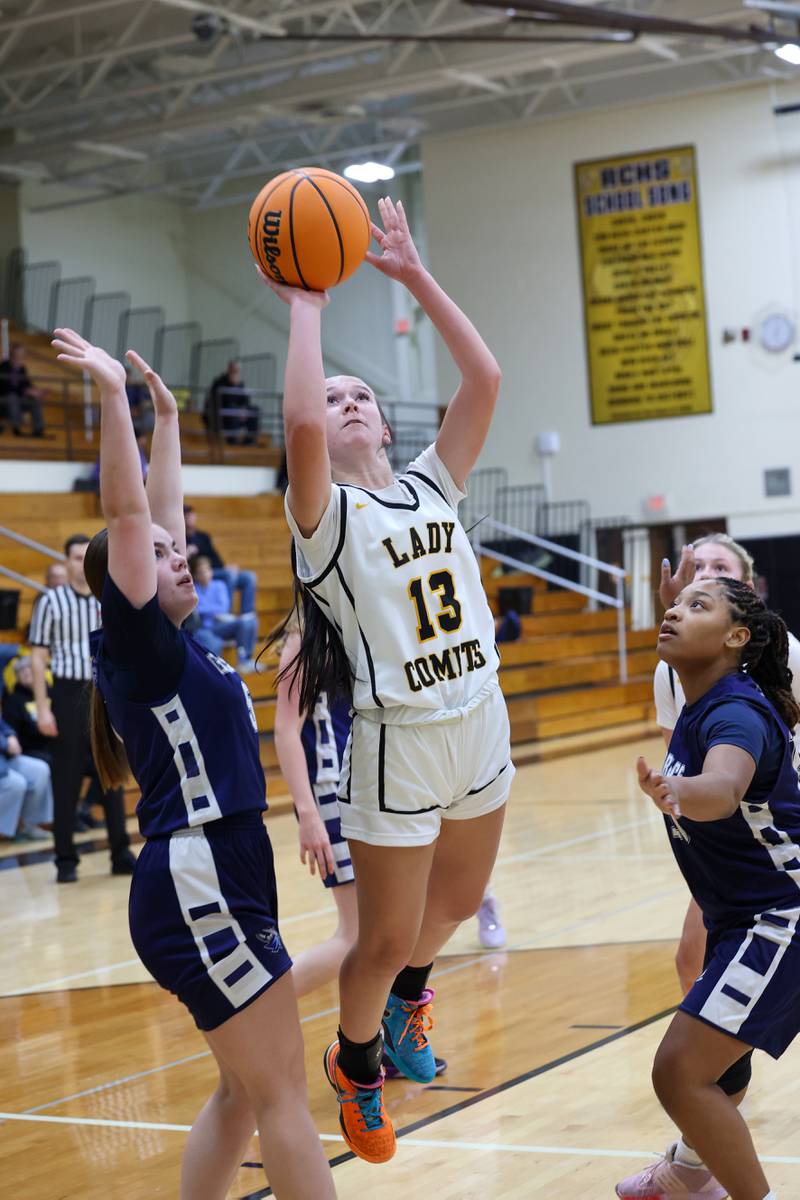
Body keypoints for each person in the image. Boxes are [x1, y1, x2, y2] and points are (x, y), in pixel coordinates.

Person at [51, 326, 336, 1200]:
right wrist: (111, 398)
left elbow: (158, 520)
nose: (184, 557)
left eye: (185, 551)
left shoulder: (180, 642)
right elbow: (133, 518)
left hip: (225, 866)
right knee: (285, 1092)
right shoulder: (136, 643)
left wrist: (167, 420)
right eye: (165, 558)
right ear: (125, 583)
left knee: (246, 1091)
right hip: (196, 872)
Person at [264, 196, 514, 1164]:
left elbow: (483, 377)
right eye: (334, 398)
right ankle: (355, 1066)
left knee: (452, 906)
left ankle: (408, 1006)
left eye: (359, 392)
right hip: (399, 741)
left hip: (477, 716)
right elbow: (293, 417)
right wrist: (305, 305)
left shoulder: (427, 483)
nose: (349, 402)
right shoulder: (321, 522)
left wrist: (413, 275)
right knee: (379, 936)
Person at [617, 576, 800, 1200]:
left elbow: (723, 787)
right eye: (675, 603)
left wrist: (680, 794)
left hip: (782, 917)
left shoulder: (735, 711)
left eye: (698, 606)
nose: (673, 611)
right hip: (745, 917)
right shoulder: (701, 702)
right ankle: (693, 1171)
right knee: (700, 1066)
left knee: (680, 1071)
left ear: (735, 637)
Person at [654, 536, 800, 994]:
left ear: (748, 589)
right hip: (732, 843)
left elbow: (720, 781)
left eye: (721, 566)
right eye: (697, 568)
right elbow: (683, 763)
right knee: (692, 963)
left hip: (778, 839)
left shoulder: (787, 655)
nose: (707, 573)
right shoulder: (673, 671)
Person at [29, 533, 135, 883]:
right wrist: (43, 710)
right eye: (74, 557)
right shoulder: (51, 601)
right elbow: (38, 654)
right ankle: (65, 858)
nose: (79, 563)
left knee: (113, 772)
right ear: (65, 561)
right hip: (67, 691)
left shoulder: (106, 598)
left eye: (83, 557)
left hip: (103, 689)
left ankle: (120, 852)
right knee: (67, 779)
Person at [184, 504, 257, 615]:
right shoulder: (183, 539)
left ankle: (247, 615)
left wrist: (225, 567)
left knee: (249, 577)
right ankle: (227, 614)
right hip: (199, 573)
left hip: (215, 570)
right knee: (229, 576)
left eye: (192, 515)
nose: (191, 518)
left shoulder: (203, 536)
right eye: (187, 516)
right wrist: (187, 553)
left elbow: (215, 556)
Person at [190, 554, 257, 674]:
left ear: (211, 571)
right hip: (209, 628)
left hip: (222, 624)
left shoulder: (219, 585)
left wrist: (208, 610)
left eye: (207, 571)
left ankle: (245, 659)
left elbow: (223, 607)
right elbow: (197, 608)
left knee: (250, 621)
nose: (205, 574)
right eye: (201, 572)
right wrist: (212, 611)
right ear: (195, 575)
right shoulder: (195, 589)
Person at [0, 714, 52, 841]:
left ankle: (27, 826)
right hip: (3, 752)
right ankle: (5, 830)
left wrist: (9, 734)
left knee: (40, 770)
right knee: (15, 784)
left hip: (4, 756)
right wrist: (5, 743)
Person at [203, 360, 258, 445]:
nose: (235, 373)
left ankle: (250, 440)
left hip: (237, 413)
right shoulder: (219, 381)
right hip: (220, 414)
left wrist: (244, 409)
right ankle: (232, 440)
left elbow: (245, 400)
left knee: (254, 410)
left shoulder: (240, 383)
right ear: (229, 369)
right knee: (232, 409)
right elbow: (220, 400)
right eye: (234, 370)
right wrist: (232, 384)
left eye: (237, 371)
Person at [0, 343, 45, 437]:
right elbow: (6, 388)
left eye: (22, 354)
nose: (21, 356)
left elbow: (26, 383)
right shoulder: (4, 366)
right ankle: (16, 428)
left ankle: (38, 429)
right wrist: (26, 391)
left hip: (18, 398)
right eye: (19, 354)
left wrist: (35, 391)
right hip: (5, 399)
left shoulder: (22, 368)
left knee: (34, 401)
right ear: (13, 354)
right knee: (12, 397)